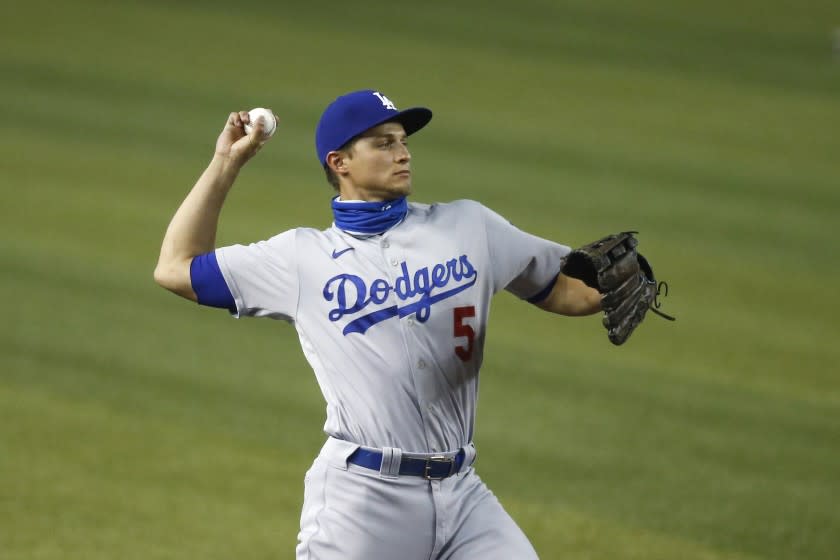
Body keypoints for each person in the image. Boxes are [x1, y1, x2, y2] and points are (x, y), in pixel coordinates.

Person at [154, 89, 602, 559]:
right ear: (340, 161)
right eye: (384, 143)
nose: (403, 152)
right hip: (364, 503)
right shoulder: (300, 259)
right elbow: (175, 266)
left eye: (403, 140)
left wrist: (617, 288)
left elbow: (561, 288)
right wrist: (226, 163)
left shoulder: (470, 227)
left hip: (464, 495)